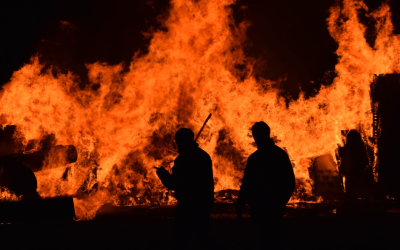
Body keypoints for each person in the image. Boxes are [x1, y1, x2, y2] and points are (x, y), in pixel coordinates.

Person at [237, 121, 295, 248]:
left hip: (261, 205)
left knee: (267, 235)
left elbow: (247, 184)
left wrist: (240, 206)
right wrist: (281, 202)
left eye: (256, 135)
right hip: (273, 204)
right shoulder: (280, 155)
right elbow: (290, 182)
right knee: (270, 233)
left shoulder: (256, 158)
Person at [155, 128, 215, 249]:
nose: (177, 143)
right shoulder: (203, 155)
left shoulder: (183, 159)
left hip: (188, 205)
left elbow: (175, 183)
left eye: (178, 140)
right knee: (206, 237)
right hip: (203, 202)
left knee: (181, 238)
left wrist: (163, 174)